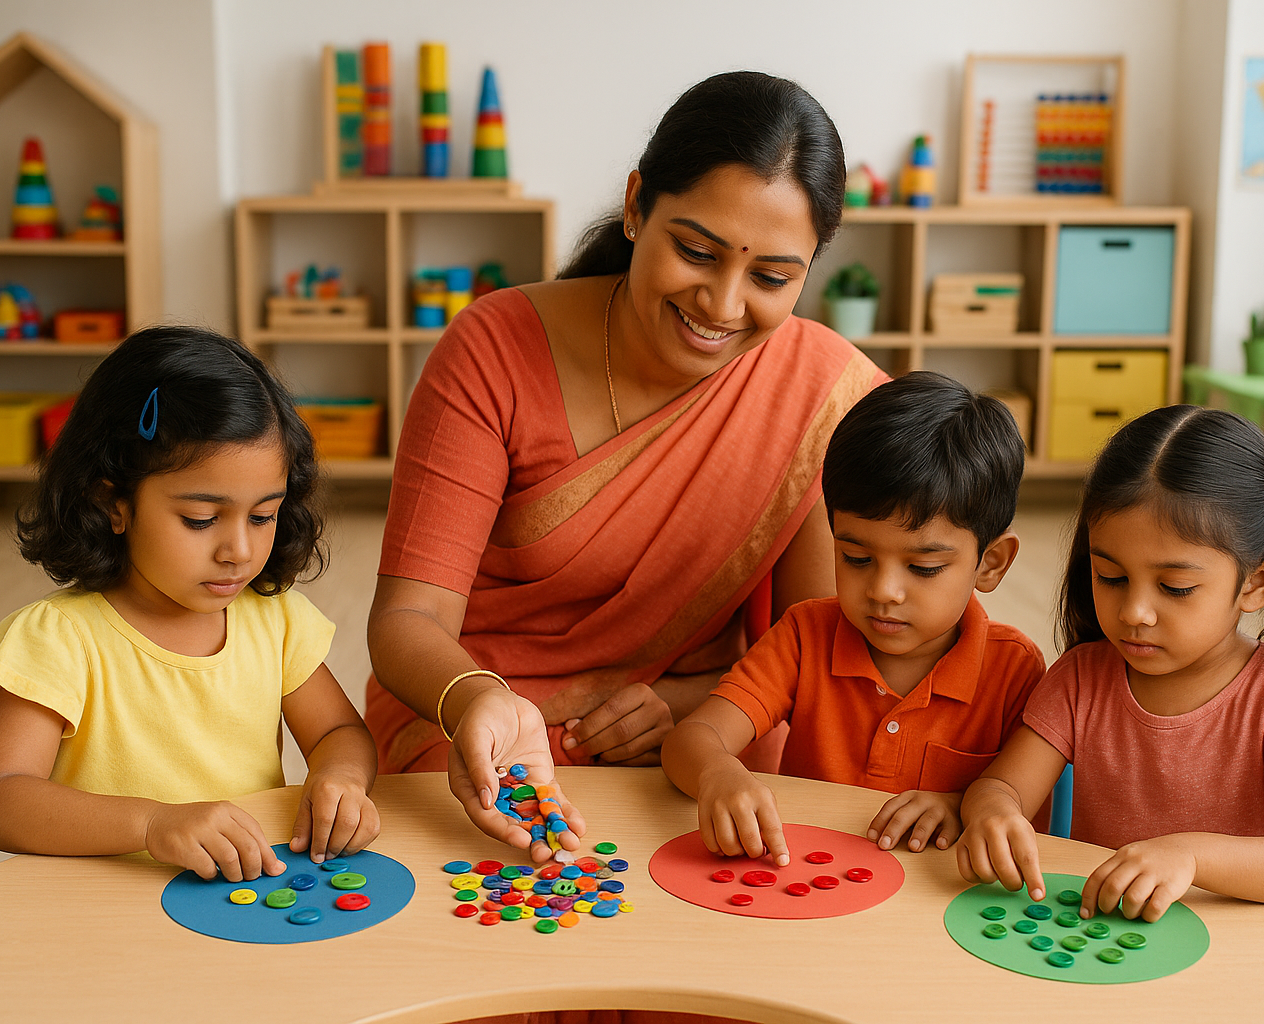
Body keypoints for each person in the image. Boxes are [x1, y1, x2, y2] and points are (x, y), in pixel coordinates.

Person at [365, 70, 885, 860]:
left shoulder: (824, 396)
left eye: (773, 277)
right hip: (477, 717)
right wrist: (478, 702)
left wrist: (683, 708)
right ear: (638, 206)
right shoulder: (492, 349)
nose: (722, 302)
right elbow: (410, 620)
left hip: (706, 729)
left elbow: (806, 653)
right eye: (697, 252)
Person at [0, 326, 380, 882]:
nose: (239, 550)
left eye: (263, 516)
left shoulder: (274, 620)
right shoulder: (58, 639)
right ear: (113, 503)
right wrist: (152, 824)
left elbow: (337, 734)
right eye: (201, 520)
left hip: (243, 900)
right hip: (99, 913)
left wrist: (341, 779)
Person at [955, 405, 1264, 922]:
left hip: (1235, 961)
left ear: (1257, 582)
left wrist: (1191, 856)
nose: (1134, 613)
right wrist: (994, 812)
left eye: (1175, 588)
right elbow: (1004, 786)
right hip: (1104, 945)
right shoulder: (1084, 678)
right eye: (1109, 576)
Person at [661, 371, 1044, 865]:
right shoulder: (806, 636)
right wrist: (719, 773)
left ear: (989, 563)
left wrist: (960, 806)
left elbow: (1022, 812)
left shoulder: (1014, 670)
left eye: (923, 567)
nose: (882, 591)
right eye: (857, 558)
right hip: (803, 882)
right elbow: (692, 739)